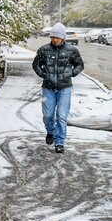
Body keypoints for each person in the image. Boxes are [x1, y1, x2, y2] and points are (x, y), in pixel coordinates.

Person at [32, 22, 84, 153]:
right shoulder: (44, 50)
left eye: (57, 37)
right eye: (52, 37)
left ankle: (60, 142)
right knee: (48, 115)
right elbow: (36, 64)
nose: (54, 40)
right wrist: (43, 74)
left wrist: (71, 73)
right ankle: (50, 131)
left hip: (64, 88)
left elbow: (80, 65)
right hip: (48, 88)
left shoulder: (72, 51)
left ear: (63, 37)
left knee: (61, 116)